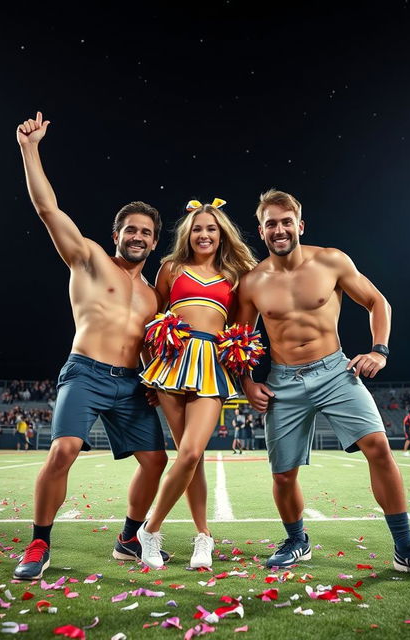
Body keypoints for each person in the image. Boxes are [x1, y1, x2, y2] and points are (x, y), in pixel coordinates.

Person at [236, 189, 410, 580]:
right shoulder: (252, 282)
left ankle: (405, 548)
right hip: (283, 381)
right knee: (283, 474)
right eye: (271, 223)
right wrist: (247, 383)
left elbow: (377, 302)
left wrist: (379, 351)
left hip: (335, 371)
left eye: (286, 221)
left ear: (299, 224)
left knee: (379, 448)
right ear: (261, 230)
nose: (279, 229)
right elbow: (239, 338)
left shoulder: (331, 260)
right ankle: (296, 540)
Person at [13, 111, 168, 580]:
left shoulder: (154, 294)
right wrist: (30, 148)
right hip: (85, 371)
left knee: (157, 461)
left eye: (146, 232)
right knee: (63, 450)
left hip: (131, 383)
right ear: (116, 233)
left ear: (155, 241)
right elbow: (47, 209)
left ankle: (128, 538)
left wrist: (155, 379)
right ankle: (40, 542)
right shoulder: (90, 258)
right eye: (130, 230)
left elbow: (148, 346)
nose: (137, 236)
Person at [137, 199, 257, 569]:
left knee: (190, 453)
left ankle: (150, 529)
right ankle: (203, 536)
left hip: (212, 367)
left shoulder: (236, 275)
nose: (204, 234)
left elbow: (243, 331)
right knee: (193, 458)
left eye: (211, 229)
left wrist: (247, 379)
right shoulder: (171, 269)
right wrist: (148, 373)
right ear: (188, 234)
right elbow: (151, 320)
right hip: (172, 364)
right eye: (198, 228)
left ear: (222, 235)